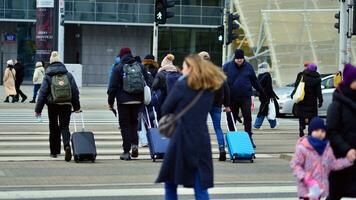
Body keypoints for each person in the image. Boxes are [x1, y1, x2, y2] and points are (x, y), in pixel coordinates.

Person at [156, 54, 226, 200]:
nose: (182, 69)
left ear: (191, 68)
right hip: (201, 137)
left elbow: (166, 108)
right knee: (200, 185)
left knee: (170, 181)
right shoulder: (209, 86)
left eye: (185, 66)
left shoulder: (182, 85)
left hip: (181, 137)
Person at [290, 117, 355, 200]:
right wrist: (304, 176)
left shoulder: (327, 148)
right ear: (311, 131)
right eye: (317, 130)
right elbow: (295, 164)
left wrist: (348, 160)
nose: (320, 133)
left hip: (319, 188)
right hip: (306, 188)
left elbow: (333, 164)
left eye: (322, 131)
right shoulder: (303, 147)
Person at [35, 51, 81, 162]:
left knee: (53, 126)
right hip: (66, 104)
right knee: (64, 126)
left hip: (52, 105)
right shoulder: (68, 75)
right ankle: (67, 146)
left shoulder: (48, 76)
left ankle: (54, 152)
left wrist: (38, 110)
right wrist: (76, 107)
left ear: (50, 63)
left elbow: (42, 93)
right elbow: (75, 92)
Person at [107, 47, 151, 161]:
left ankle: (126, 151)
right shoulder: (140, 66)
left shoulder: (118, 68)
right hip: (138, 100)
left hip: (123, 101)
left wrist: (110, 102)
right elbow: (148, 82)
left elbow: (112, 87)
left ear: (121, 55)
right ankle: (135, 145)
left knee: (125, 125)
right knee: (133, 123)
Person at [223, 49, 264, 148]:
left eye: (241, 59)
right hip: (232, 97)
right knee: (232, 119)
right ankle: (232, 139)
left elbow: (254, 81)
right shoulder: (227, 66)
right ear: (234, 58)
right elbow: (220, 81)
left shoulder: (248, 66)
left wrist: (262, 91)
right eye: (238, 59)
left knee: (247, 118)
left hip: (245, 97)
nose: (240, 61)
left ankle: (249, 138)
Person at [326, 63, 356, 200]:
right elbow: (331, 132)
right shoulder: (336, 106)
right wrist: (347, 150)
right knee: (335, 194)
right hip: (341, 159)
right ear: (350, 81)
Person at [199, 51, 230, 161]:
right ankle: (222, 148)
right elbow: (226, 88)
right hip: (217, 103)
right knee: (217, 127)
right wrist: (227, 104)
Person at [291, 63, 323, 137]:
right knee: (312, 116)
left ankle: (301, 128)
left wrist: (293, 94)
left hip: (302, 99)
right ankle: (310, 131)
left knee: (301, 115)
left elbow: (297, 86)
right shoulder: (317, 79)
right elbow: (319, 91)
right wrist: (320, 100)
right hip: (312, 101)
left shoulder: (302, 76)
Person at [152, 54, 181, 118]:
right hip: (176, 100)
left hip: (163, 99)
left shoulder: (160, 74)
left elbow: (154, 86)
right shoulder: (178, 73)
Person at [253, 62, 279, 129]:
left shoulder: (259, 75)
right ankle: (257, 124)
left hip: (261, 95)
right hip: (267, 95)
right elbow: (269, 87)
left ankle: (273, 124)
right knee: (265, 110)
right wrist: (271, 96)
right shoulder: (267, 75)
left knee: (267, 110)